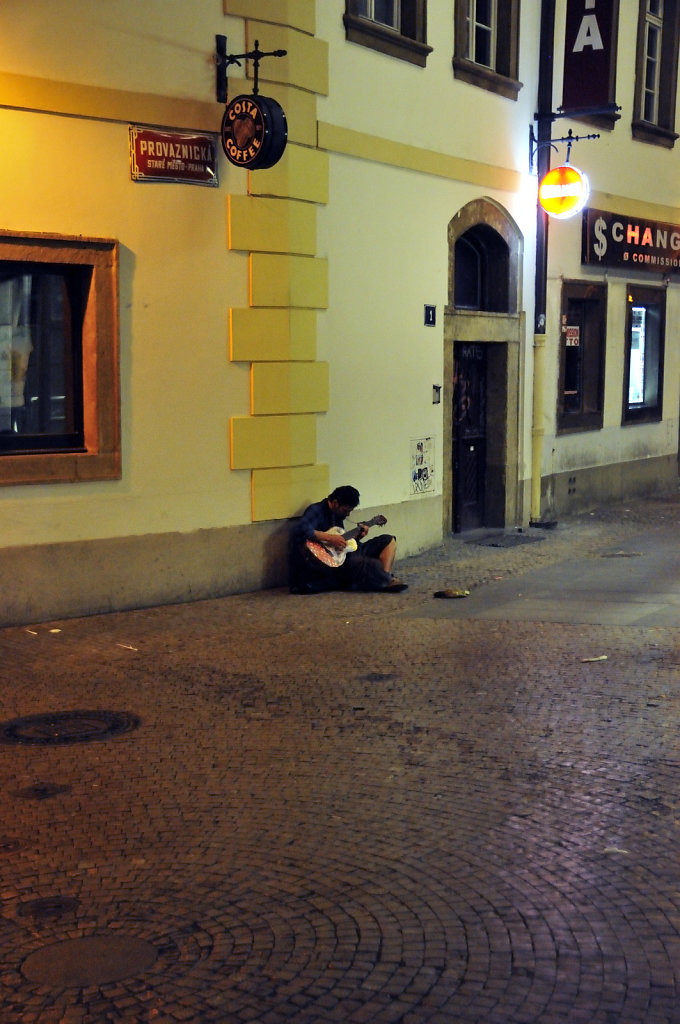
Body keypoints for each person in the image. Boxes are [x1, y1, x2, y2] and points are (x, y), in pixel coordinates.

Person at [289, 484, 408, 594]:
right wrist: (330, 538)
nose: (348, 514)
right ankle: (384, 580)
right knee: (366, 563)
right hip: (325, 562)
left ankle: (386, 578)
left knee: (388, 540)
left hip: (341, 555)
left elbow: (343, 545)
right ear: (335, 503)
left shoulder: (338, 515)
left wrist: (358, 536)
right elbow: (300, 529)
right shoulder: (316, 510)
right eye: (346, 510)